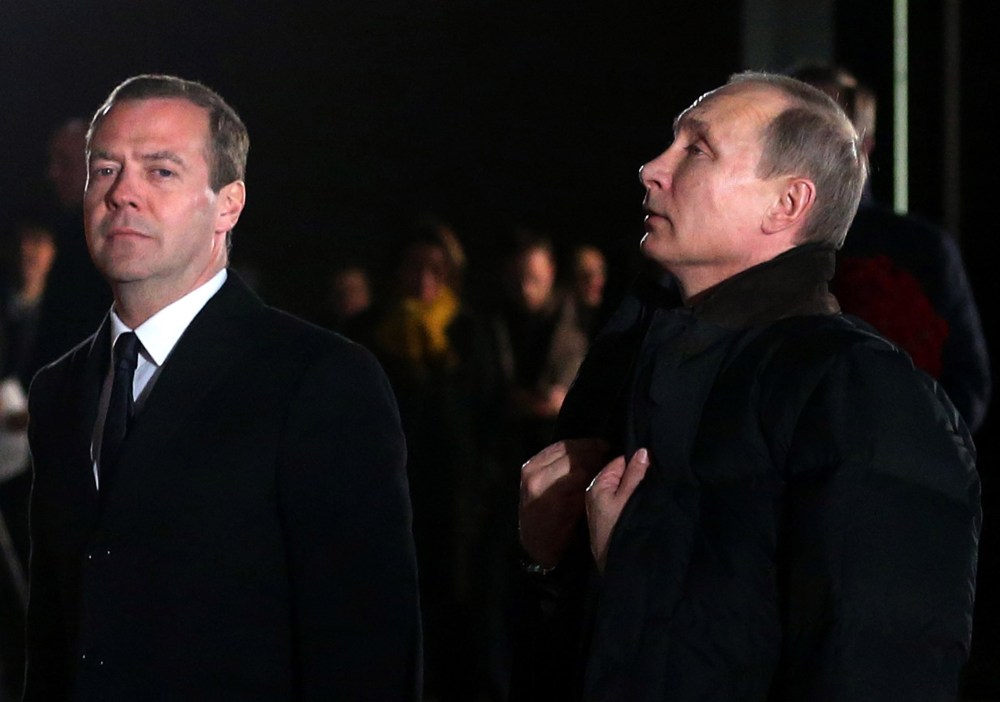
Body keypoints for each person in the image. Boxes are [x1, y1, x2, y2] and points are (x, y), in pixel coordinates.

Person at [513, 72, 981, 701]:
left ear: (786, 204)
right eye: (670, 144)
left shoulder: (863, 392)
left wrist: (637, 560)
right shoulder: (633, 356)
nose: (652, 168)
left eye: (696, 150)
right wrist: (546, 564)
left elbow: (869, 666)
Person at [23, 74, 421, 701]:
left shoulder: (319, 380)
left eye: (160, 171)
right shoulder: (59, 390)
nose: (122, 194)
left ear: (228, 204)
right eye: (104, 170)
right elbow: (54, 632)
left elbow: (366, 646)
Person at [788, 62, 992, 434]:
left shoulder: (919, 248)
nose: (803, 144)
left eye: (820, 126)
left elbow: (965, 384)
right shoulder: (737, 240)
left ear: (862, 143)